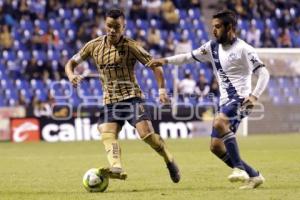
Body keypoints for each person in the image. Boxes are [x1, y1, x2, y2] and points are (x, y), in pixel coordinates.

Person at [147, 10, 270, 189]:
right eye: (213, 27)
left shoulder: (244, 49)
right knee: (216, 147)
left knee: (220, 122)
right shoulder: (212, 47)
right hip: (225, 101)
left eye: (218, 27)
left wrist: (254, 96)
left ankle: (238, 169)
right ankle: (254, 175)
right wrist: (164, 61)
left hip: (241, 99)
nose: (214, 31)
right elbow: (188, 57)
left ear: (230, 28)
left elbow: (264, 72)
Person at [65, 8, 180, 183]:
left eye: (116, 27)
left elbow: (156, 65)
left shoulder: (131, 46)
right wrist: (71, 75)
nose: (112, 30)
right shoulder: (93, 45)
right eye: (109, 26)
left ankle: (168, 158)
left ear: (123, 27)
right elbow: (71, 63)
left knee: (147, 135)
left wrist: (162, 90)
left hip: (132, 97)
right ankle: (116, 167)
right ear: (105, 24)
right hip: (110, 101)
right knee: (106, 132)